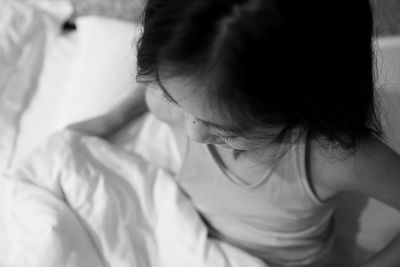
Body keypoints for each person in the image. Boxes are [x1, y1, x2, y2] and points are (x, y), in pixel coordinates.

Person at [68, 0, 400, 266]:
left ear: (306, 113)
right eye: (173, 98)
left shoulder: (333, 157)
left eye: (227, 131)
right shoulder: (169, 101)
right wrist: (112, 118)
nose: (194, 132)